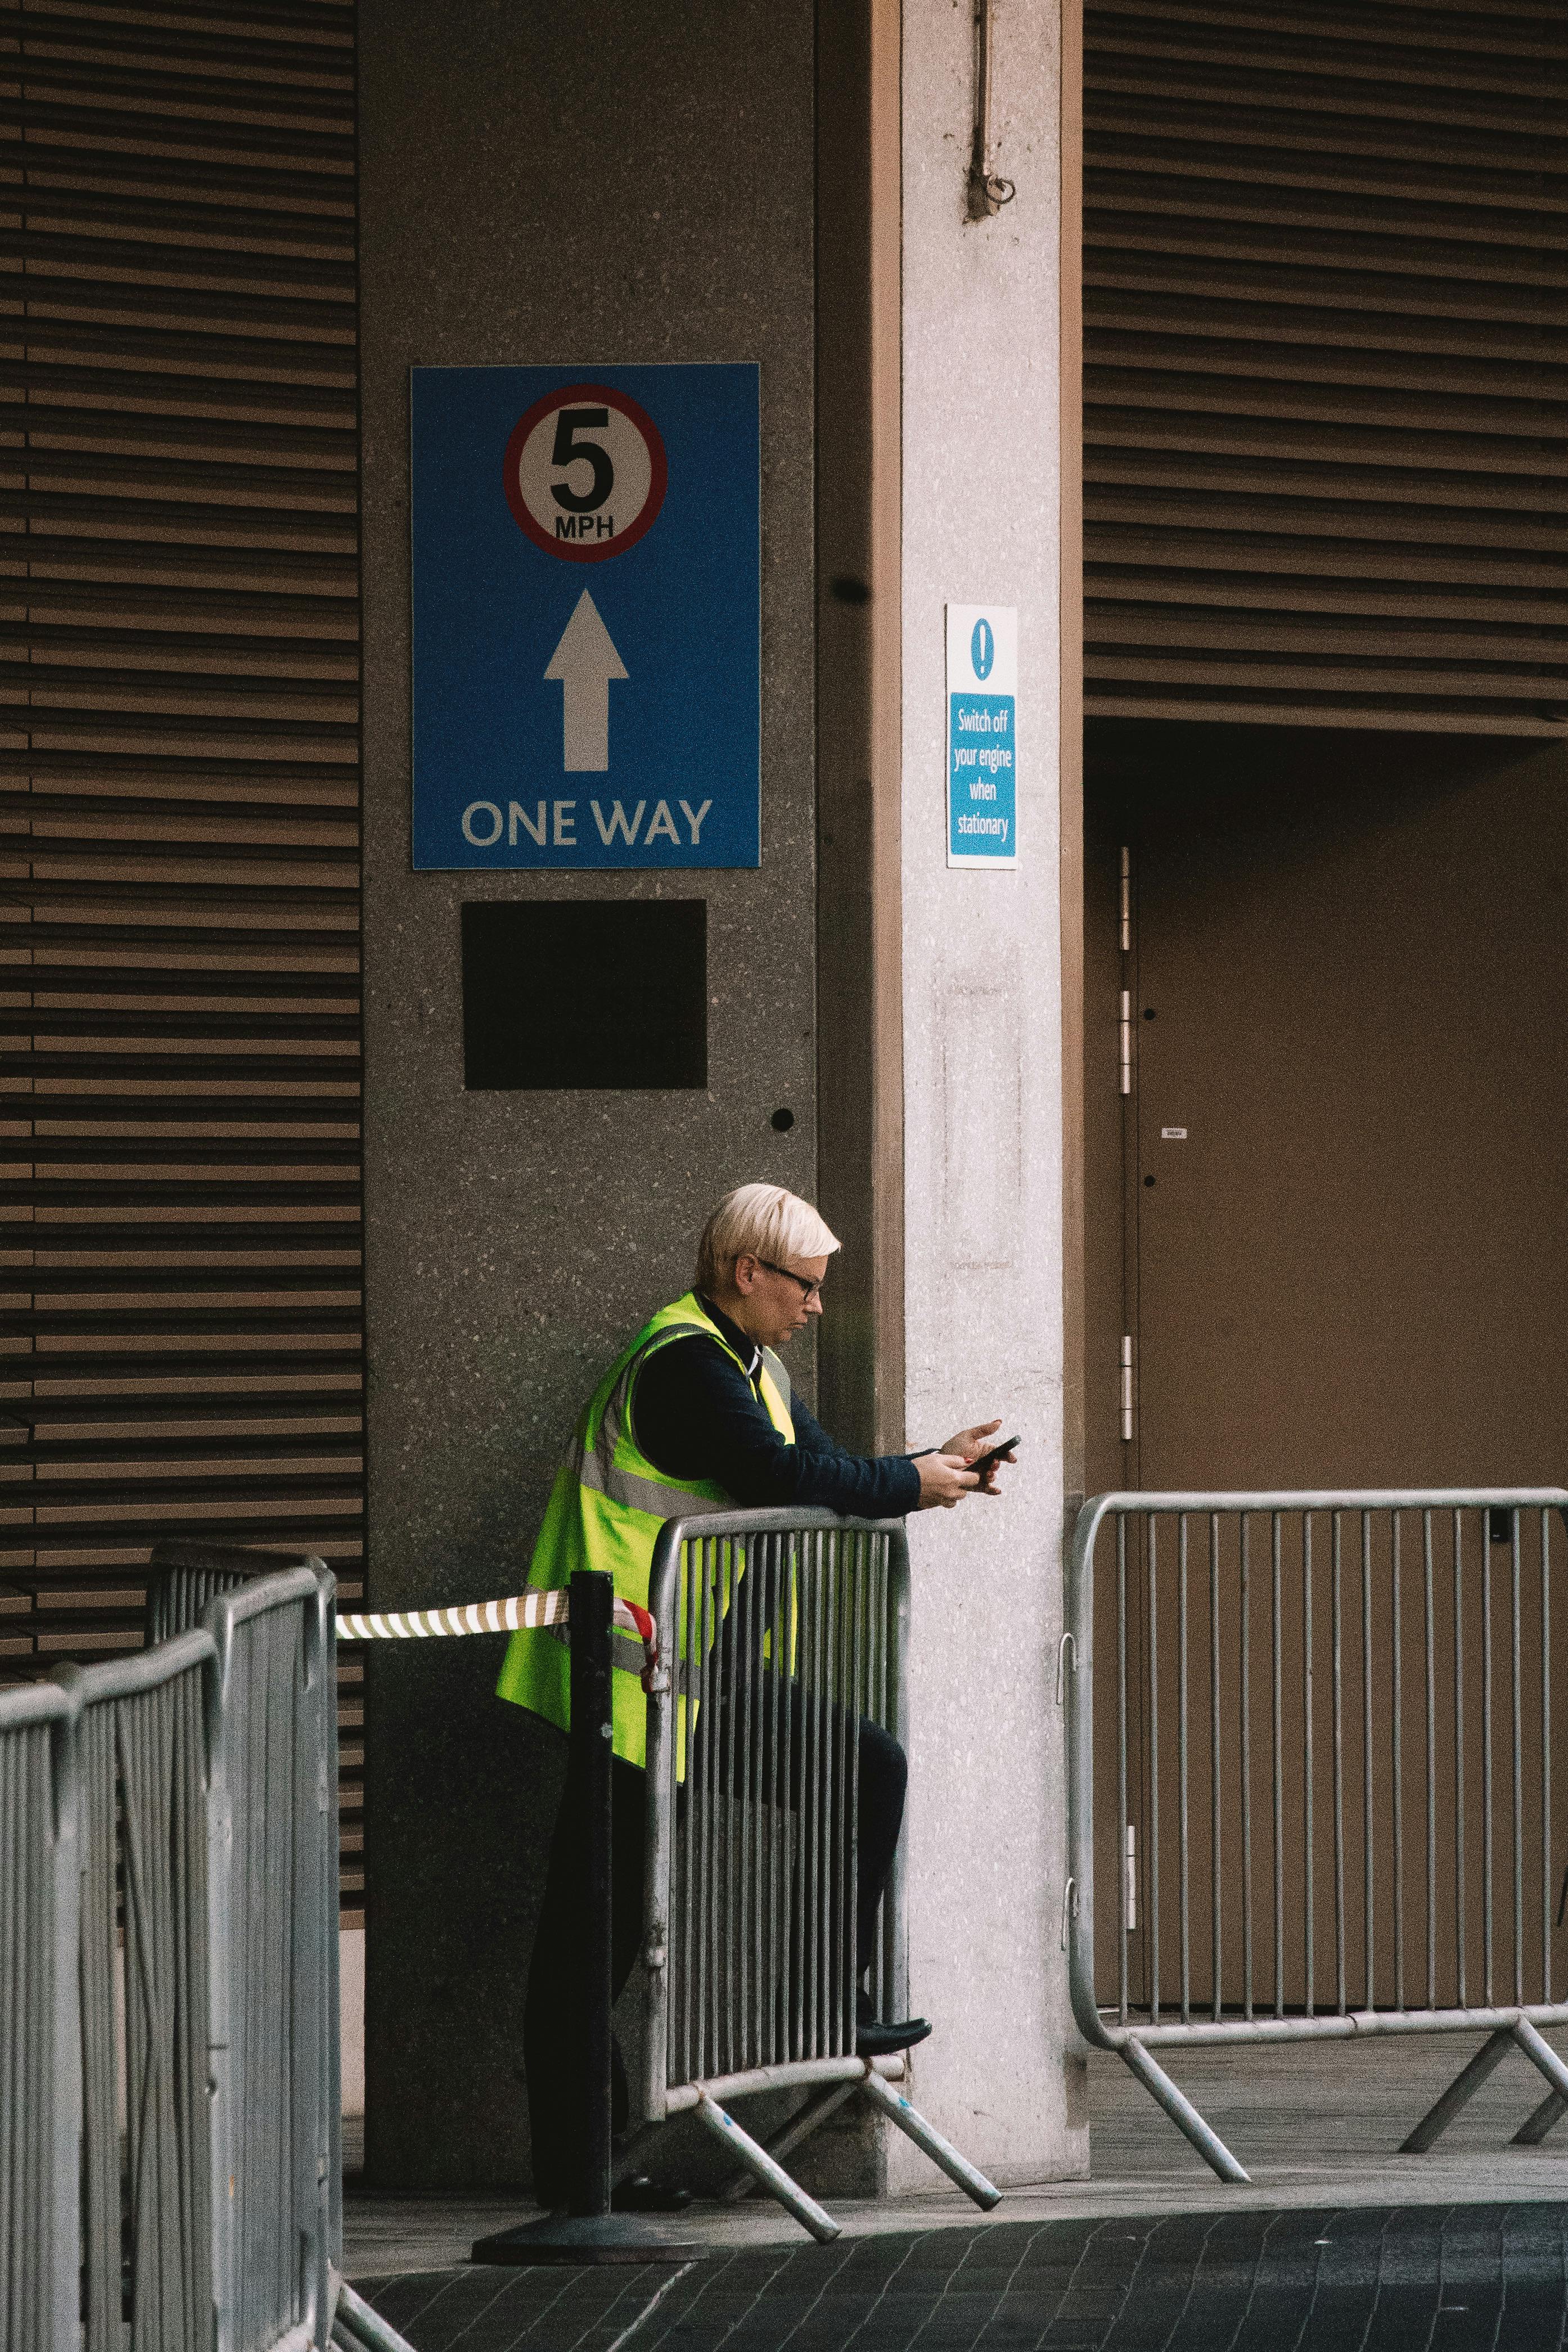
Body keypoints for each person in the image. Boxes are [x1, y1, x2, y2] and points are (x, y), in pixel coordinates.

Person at [497, 1182, 1015, 2209]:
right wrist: (913, 1482)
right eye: (806, 1286)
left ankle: (824, 2003)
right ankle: (577, 2180)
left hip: (698, 1681)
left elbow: (815, 1462)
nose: (818, 1305)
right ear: (747, 1272)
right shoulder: (685, 1362)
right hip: (632, 1691)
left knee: (866, 1765)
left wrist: (927, 1464)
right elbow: (780, 1475)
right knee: (589, 1943)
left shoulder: (751, 1363)